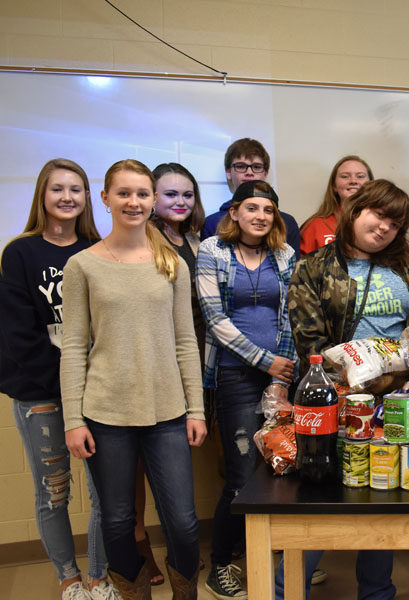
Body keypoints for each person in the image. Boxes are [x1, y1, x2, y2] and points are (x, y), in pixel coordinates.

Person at [60, 159, 206, 599]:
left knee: (182, 521)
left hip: (167, 412)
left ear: (152, 201)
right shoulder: (82, 265)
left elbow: (185, 341)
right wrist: (73, 419)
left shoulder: (172, 264)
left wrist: (195, 408)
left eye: (142, 194)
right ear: (104, 199)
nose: (134, 202)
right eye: (124, 193)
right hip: (105, 413)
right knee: (119, 520)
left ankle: (185, 592)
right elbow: (73, 347)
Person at [281, 179, 409, 600]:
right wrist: (380, 372)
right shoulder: (312, 268)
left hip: (400, 405)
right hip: (340, 403)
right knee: (317, 505)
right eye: (378, 215)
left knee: (382, 499)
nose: (385, 227)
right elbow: (313, 349)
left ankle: (377, 593)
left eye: (395, 222)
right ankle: (284, 591)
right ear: (354, 210)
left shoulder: (405, 264)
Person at [0, 159, 120, 600]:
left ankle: (99, 576)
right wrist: (64, 383)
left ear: (89, 197)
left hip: (98, 393)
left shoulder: (98, 248)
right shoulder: (21, 252)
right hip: (41, 393)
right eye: (57, 189)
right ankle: (69, 579)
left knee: (107, 493)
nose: (67, 197)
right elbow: (18, 333)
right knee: (54, 493)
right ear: (42, 196)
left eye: (76, 188)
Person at [196, 180, 298, 600]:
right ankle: (221, 564)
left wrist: (280, 376)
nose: (260, 216)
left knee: (280, 466)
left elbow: (291, 315)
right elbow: (214, 318)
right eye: (251, 207)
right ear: (234, 212)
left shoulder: (286, 255)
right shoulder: (211, 252)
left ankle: (275, 561)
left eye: (268, 210)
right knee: (240, 476)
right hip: (234, 375)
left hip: (279, 376)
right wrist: (265, 362)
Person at [121, 162, 208, 587]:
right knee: (137, 467)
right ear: (153, 198)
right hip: (151, 363)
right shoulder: (144, 240)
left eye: (187, 195)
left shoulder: (193, 238)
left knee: (173, 476)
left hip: (188, 357)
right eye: (170, 194)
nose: (180, 202)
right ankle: (142, 552)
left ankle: (181, 558)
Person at [201, 137, 302, 254]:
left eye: (256, 167)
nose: (249, 172)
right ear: (228, 172)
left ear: (265, 173)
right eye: (240, 166)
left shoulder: (286, 222)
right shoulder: (212, 223)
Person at [299, 155, 373, 256]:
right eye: (345, 176)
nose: (353, 181)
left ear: (371, 184)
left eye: (360, 176)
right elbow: (302, 269)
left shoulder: (383, 224)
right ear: (334, 186)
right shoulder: (315, 225)